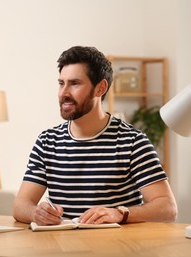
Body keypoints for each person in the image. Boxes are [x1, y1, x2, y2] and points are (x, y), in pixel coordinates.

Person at [13, 46, 177, 226]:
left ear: (100, 88)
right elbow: (20, 205)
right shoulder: (47, 141)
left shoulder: (132, 141)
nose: (64, 93)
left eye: (74, 83)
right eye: (61, 83)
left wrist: (119, 213)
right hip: (62, 249)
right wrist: (37, 214)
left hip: (116, 250)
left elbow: (167, 208)